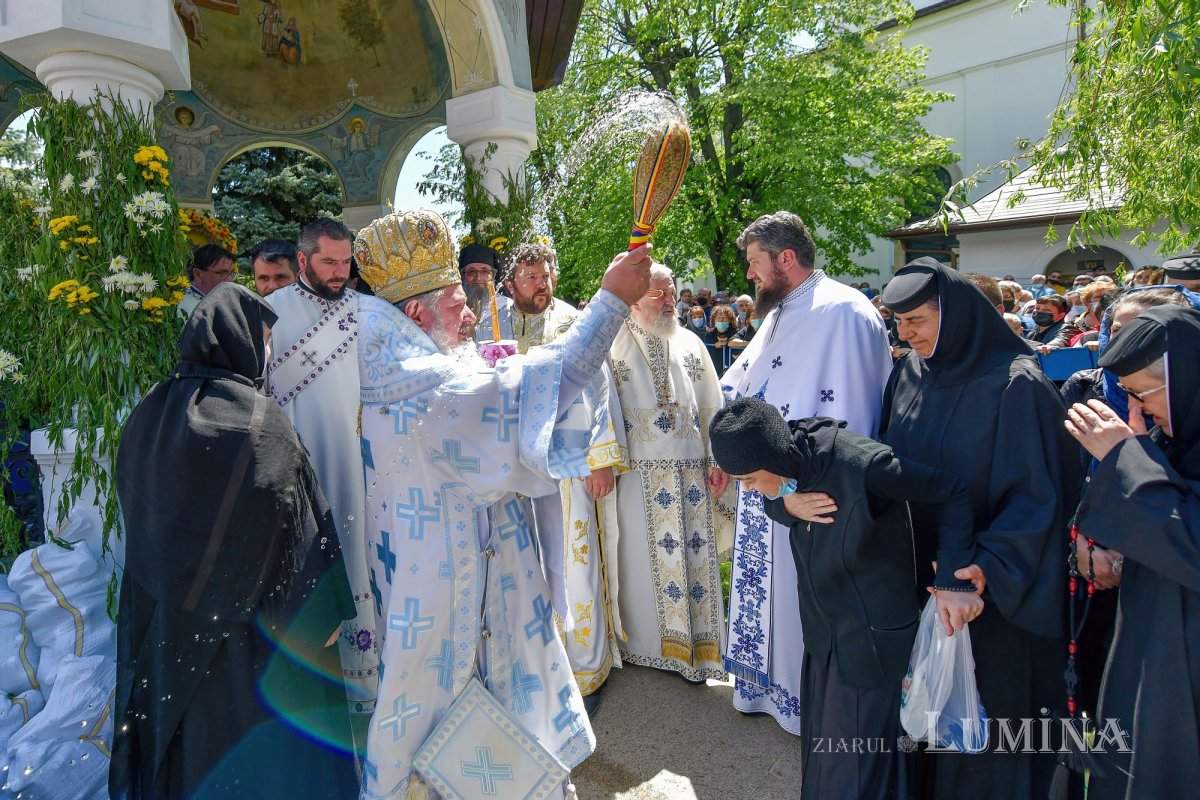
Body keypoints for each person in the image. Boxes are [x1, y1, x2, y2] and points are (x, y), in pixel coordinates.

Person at [352, 208, 652, 798]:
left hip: (436, 580)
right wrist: (612, 301)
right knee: (445, 726)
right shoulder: (425, 389)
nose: (470, 312)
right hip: (449, 592)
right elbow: (559, 375)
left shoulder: (390, 368)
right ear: (414, 314)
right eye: (453, 300)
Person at [110, 283, 357, 799]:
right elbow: (299, 526)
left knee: (187, 752)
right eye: (264, 337)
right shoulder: (260, 421)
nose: (268, 350)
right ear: (241, 340)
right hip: (246, 641)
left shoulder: (149, 414)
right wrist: (322, 614)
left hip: (165, 629)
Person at [875, 257, 1079, 799]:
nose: (906, 333)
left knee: (988, 744)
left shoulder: (1016, 383)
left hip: (990, 593)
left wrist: (980, 568)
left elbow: (1040, 497)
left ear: (958, 313)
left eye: (917, 319)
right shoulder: (909, 372)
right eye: (898, 322)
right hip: (923, 579)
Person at [709, 398, 981, 800]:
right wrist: (784, 504)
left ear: (770, 457)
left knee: (857, 765)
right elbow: (777, 495)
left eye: (748, 479)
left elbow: (952, 492)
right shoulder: (788, 462)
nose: (748, 490)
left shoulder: (864, 465)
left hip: (871, 642)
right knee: (826, 754)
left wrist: (954, 581)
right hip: (826, 636)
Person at [720, 211, 892, 733]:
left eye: (754, 264)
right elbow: (741, 381)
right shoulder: (781, 311)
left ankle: (802, 701)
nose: (750, 276)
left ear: (785, 259)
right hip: (767, 490)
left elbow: (852, 421)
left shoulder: (843, 312)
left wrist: (799, 485)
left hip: (809, 494)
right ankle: (764, 690)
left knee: (800, 600)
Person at [482, 241, 627, 711]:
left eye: (545, 276)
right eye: (530, 278)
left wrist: (601, 457)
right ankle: (533, 666)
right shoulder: (490, 324)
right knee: (521, 566)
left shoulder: (571, 321)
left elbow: (599, 386)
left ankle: (584, 671)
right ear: (510, 284)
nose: (541, 285)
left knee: (573, 566)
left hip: (567, 466)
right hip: (510, 470)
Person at [1063, 305, 1200, 799]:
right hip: (1155, 645)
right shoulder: (1172, 436)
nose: (1138, 409)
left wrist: (1125, 459)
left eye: (1145, 392)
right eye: (1131, 394)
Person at [264, 218, 379, 741]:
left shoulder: (365, 312)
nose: (339, 272)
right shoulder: (269, 314)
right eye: (329, 262)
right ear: (303, 259)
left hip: (365, 466)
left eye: (346, 262)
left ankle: (370, 682)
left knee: (364, 557)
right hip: (302, 466)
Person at [607, 264, 734, 687]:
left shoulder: (692, 343)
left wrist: (718, 458)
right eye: (657, 294)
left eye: (671, 293)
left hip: (691, 475)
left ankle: (697, 648)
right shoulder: (611, 342)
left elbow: (712, 405)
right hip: (636, 477)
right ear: (635, 297)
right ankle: (643, 647)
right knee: (639, 564)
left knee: (693, 564)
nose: (668, 302)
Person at [180, 244, 236, 316]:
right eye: (222, 273)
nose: (230, 279)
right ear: (198, 274)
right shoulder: (185, 307)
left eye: (231, 273)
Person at [459, 243, 500, 322]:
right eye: (471, 271)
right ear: (463, 275)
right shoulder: (452, 306)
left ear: (493, 275)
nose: (478, 277)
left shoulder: (506, 307)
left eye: (484, 271)